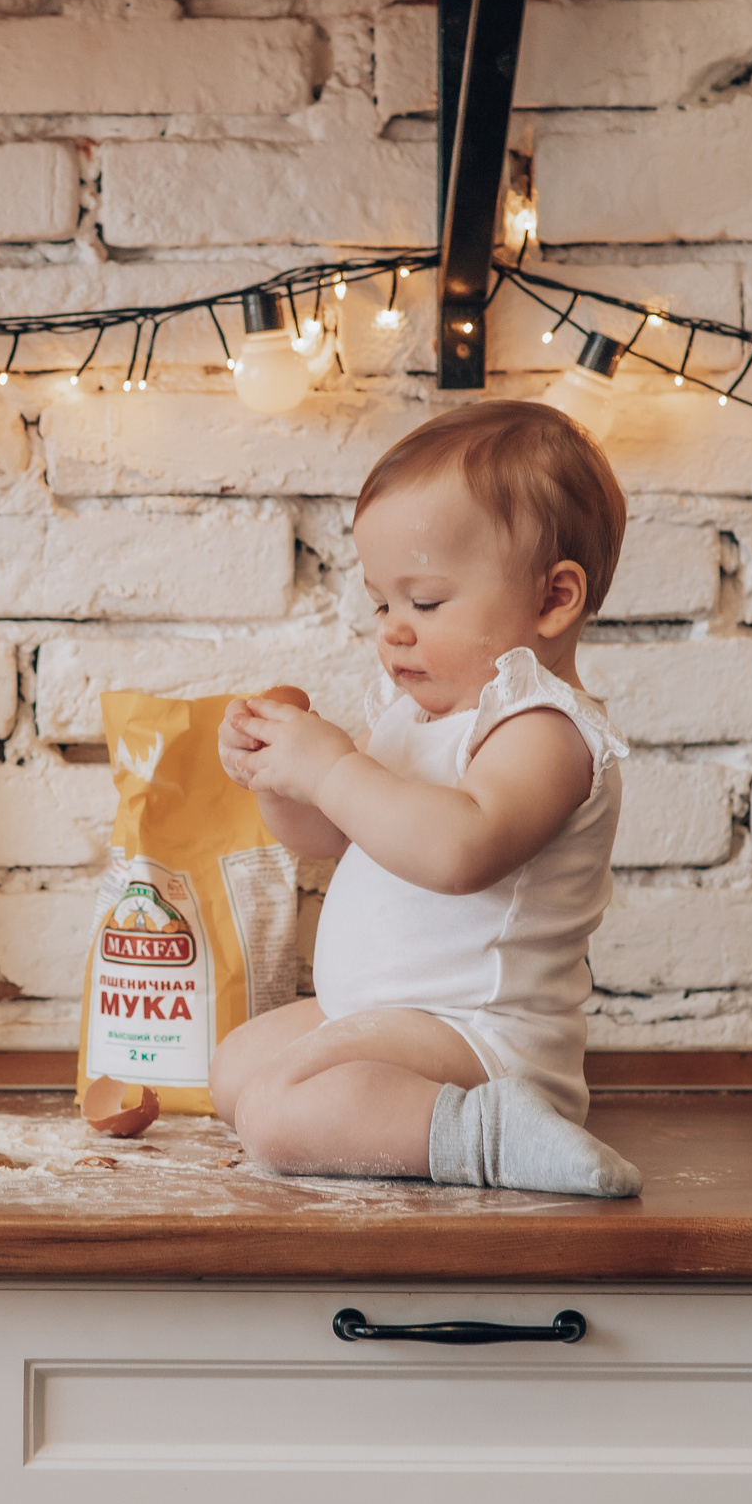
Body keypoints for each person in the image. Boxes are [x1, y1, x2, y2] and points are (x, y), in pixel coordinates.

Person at [210, 400, 643, 1197]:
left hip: (477, 1037)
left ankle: (495, 1129)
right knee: (235, 1067)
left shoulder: (545, 728)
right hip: (390, 1016)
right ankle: (415, 1119)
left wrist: (333, 764)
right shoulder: (416, 717)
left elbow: (457, 849)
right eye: (383, 603)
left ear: (554, 599)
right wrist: (283, 772)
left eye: (427, 602)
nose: (394, 631)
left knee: (273, 1114)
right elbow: (331, 834)